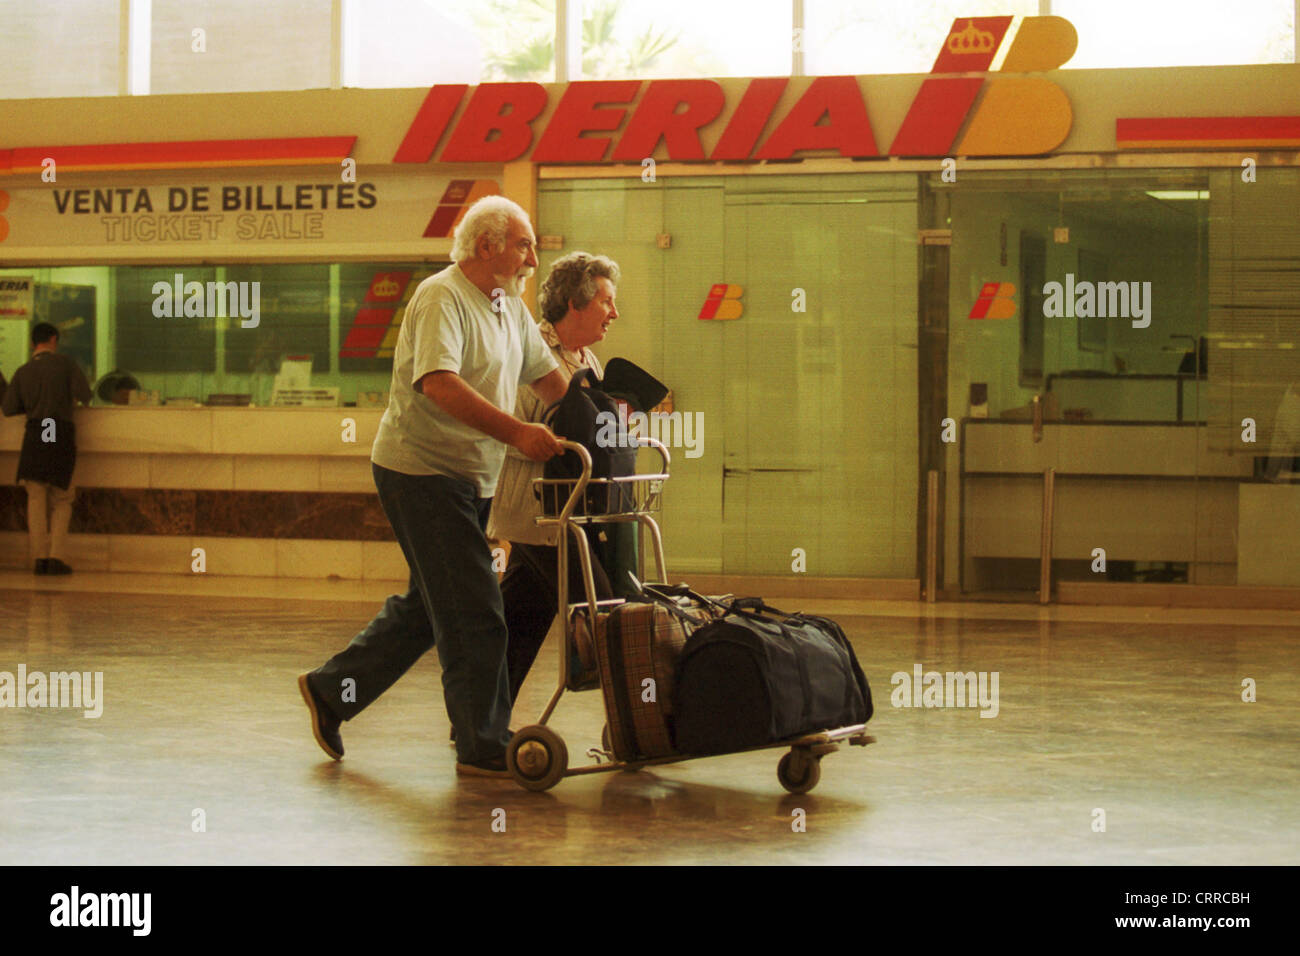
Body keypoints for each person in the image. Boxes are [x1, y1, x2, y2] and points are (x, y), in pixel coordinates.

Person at [298, 195, 568, 777]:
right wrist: (518, 433)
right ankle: (482, 740)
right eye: (523, 244)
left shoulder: (509, 308)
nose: (531, 257)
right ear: (486, 245)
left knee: (430, 604)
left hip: (474, 477)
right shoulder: (441, 297)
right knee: (476, 607)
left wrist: (599, 418)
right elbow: (439, 385)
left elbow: (551, 379)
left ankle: (330, 691)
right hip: (420, 471)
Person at [488, 252, 620, 705]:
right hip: (537, 511)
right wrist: (538, 438)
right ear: (574, 303)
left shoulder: (590, 361)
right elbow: (500, 426)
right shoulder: (530, 353)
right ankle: (633, 714)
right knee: (600, 604)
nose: (614, 313)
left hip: (570, 507)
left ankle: (476, 712)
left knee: (523, 615)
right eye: (606, 301)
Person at [1, 322, 93, 575]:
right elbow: (86, 395)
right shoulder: (66, 365)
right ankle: (56, 557)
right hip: (58, 432)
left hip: (35, 433)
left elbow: (8, 409)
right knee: (62, 499)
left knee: (35, 497)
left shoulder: (23, 371)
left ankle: (39, 558)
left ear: (32, 343)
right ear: (54, 339)